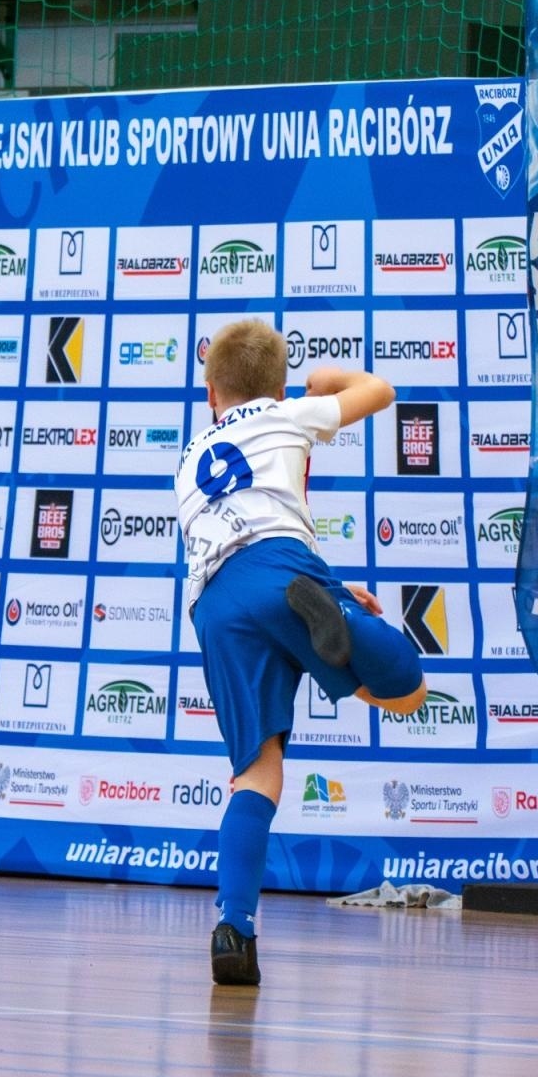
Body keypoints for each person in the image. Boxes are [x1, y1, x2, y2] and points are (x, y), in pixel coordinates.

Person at [174, 318, 426, 986]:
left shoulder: (190, 456)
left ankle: (234, 929)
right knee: (408, 692)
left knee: (256, 774)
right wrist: (327, 380)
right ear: (278, 387)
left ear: (210, 394)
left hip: (215, 603)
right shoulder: (287, 414)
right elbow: (380, 390)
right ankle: (341, 618)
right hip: (284, 571)